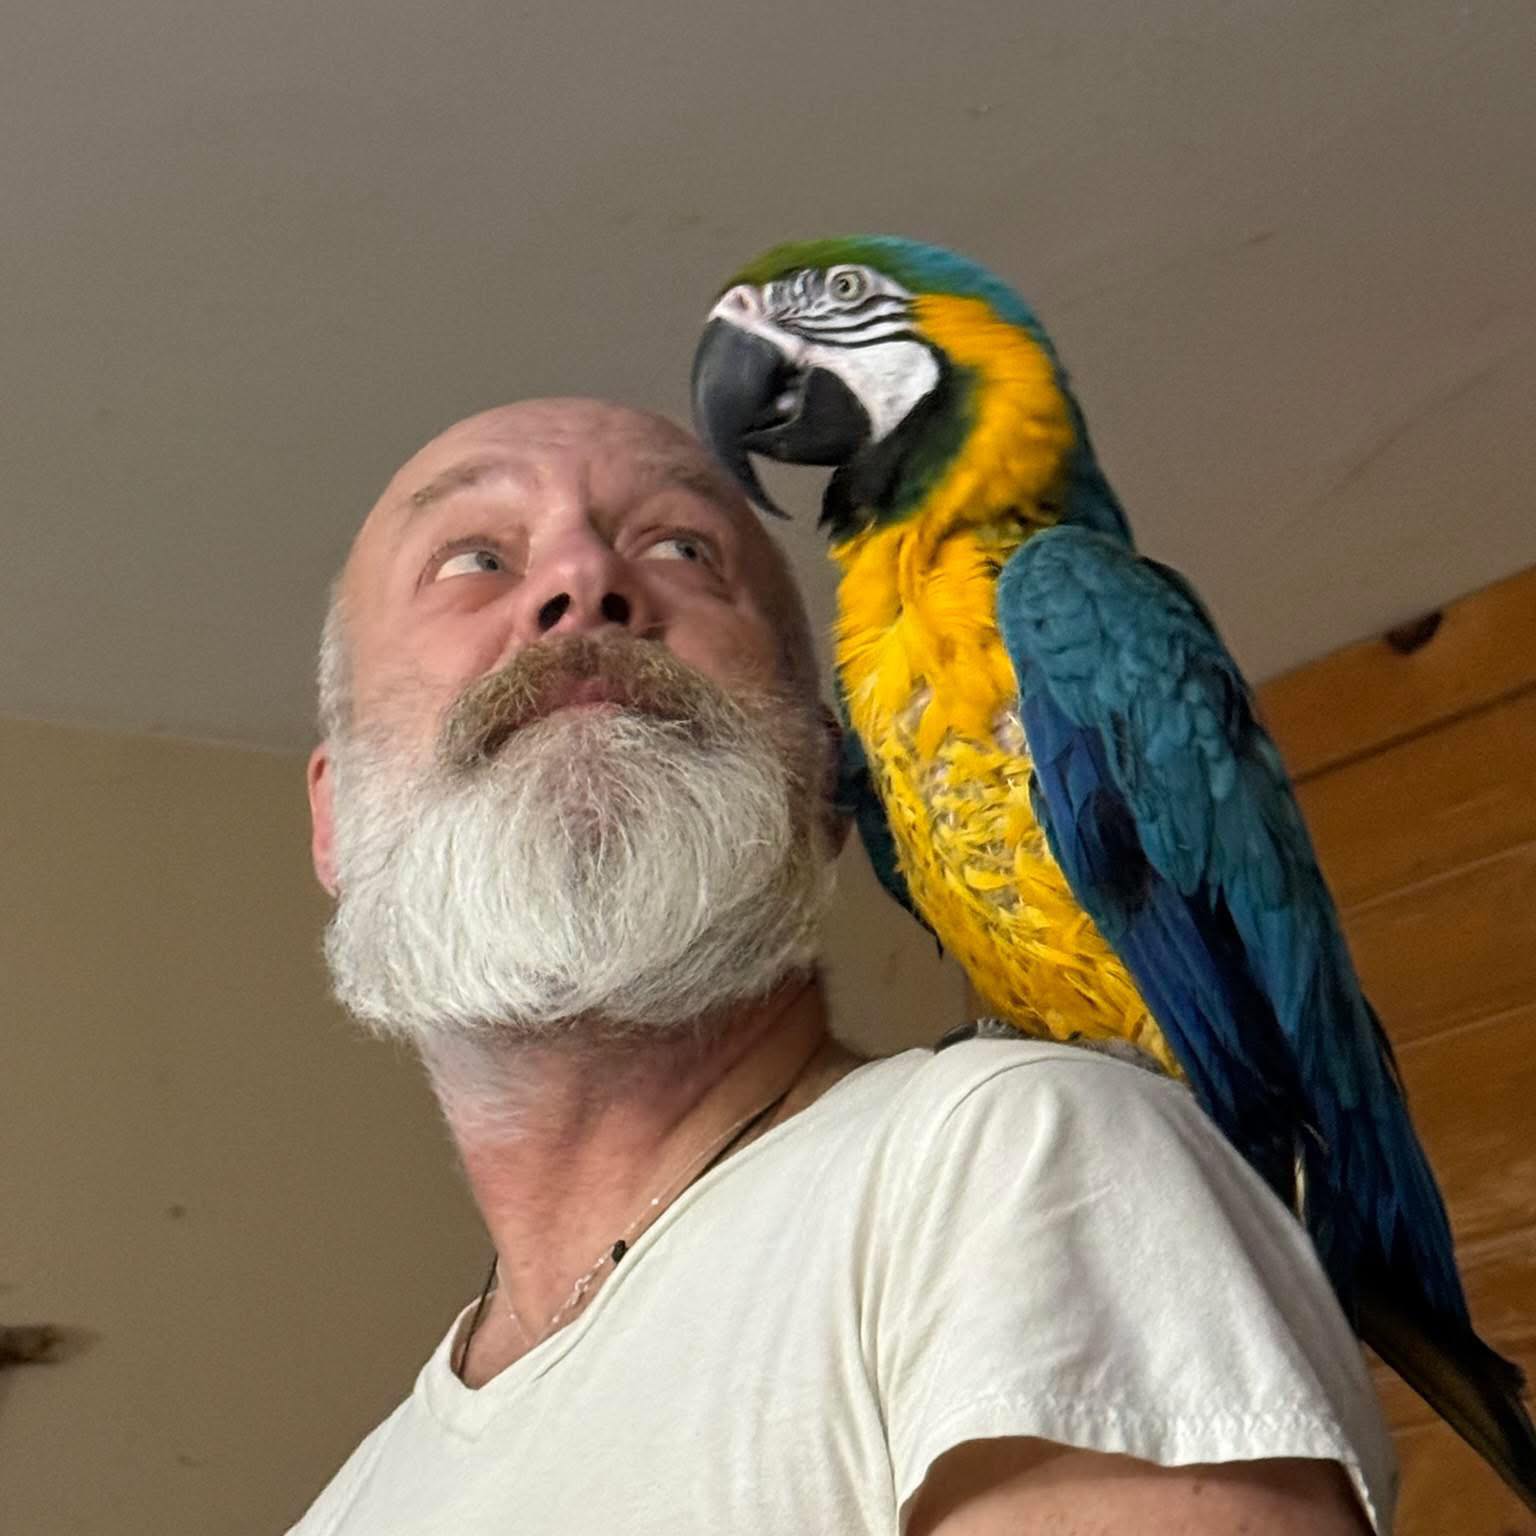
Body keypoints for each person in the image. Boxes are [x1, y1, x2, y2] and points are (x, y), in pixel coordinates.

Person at [292, 398, 1395, 1535]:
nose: (583, 579)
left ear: (829, 779)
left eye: (682, 549)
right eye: (474, 558)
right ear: (335, 820)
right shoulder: (348, 1508)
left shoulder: (1019, 1156)